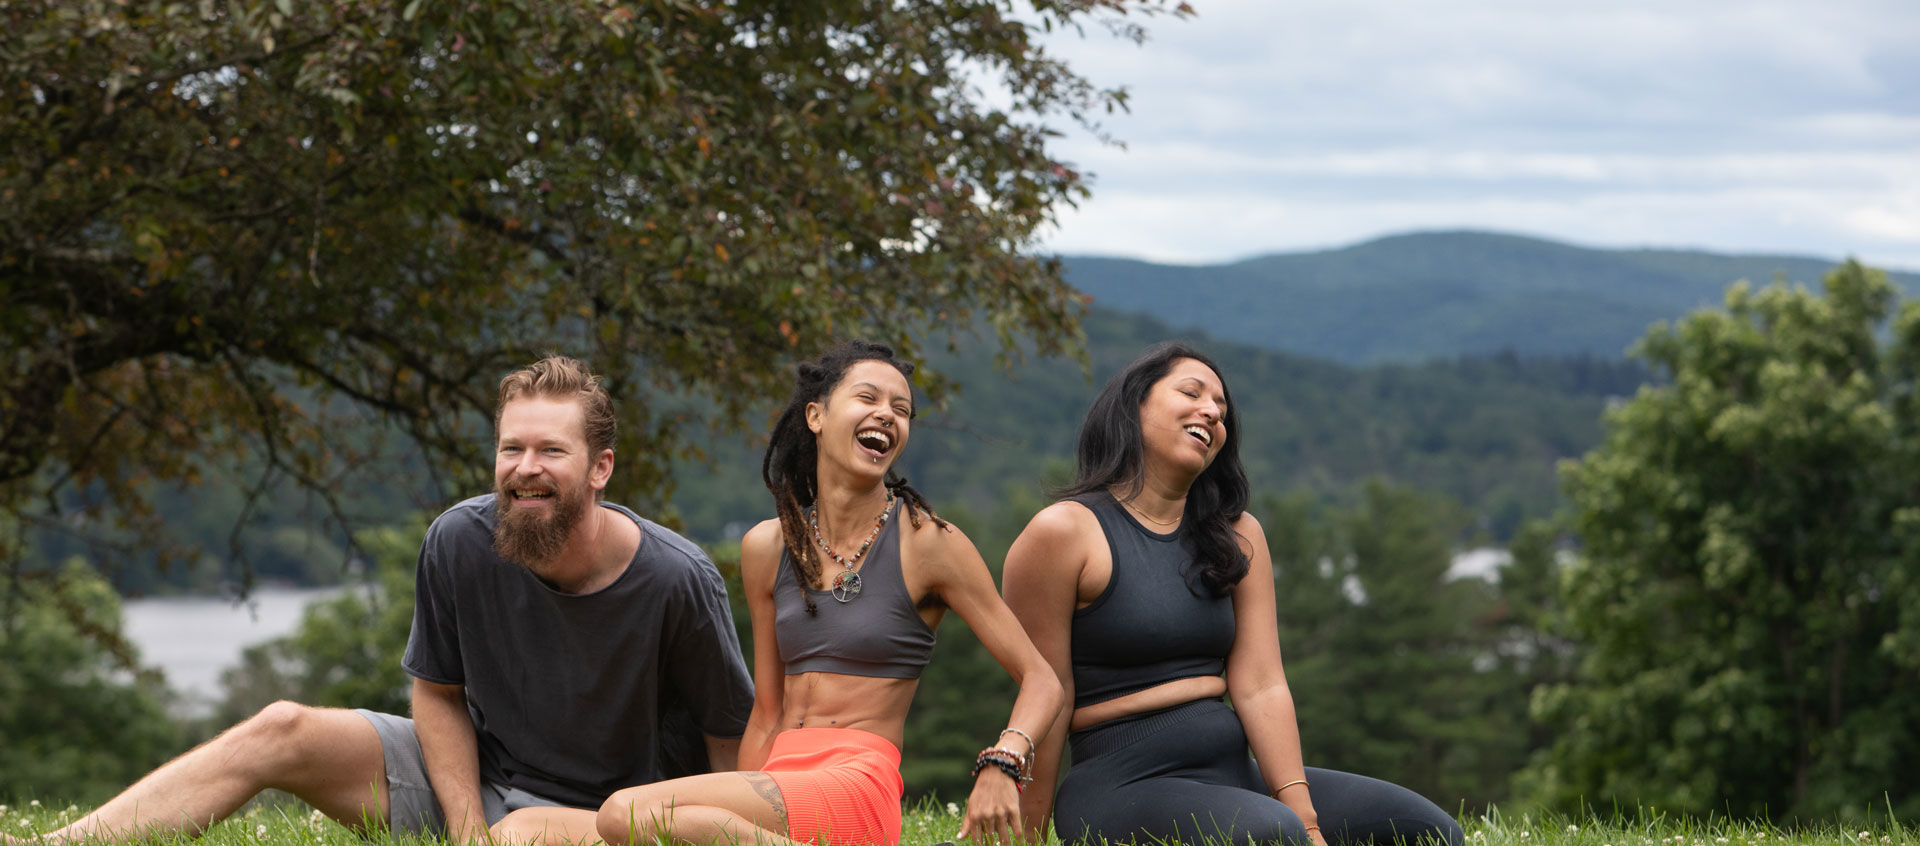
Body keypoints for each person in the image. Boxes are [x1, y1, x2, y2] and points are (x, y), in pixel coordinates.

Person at [7, 356, 754, 845]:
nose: (525, 469)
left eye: (551, 451)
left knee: (520, 838)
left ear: (601, 468)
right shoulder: (458, 541)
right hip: (473, 783)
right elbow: (436, 693)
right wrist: (463, 830)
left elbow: (730, 743)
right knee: (282, 725)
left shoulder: (676, 580)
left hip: (600, 821)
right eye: (510, 449)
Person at [490, 340, 1062, 846]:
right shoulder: (769, 546)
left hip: (857, 783)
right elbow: (766, 713)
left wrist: (1003, 762)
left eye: (902, 409)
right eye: (868, 398)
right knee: (519, 832)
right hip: (778, 784)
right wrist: (737, 792)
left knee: (625, 815)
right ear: (816, 415)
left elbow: (1041, 679)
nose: (886, 414)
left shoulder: (929, 543)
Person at [1001, 341, 1465, 846]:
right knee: (1271, 834)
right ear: (1134, 405)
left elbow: (1262, 685)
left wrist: (1306, 818)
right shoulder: (1064, 533)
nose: (1212, 411)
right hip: (1121, 788)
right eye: (1191, 392)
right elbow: (1046, 694)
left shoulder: (1238, 536)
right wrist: (1026, 836)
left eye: (1220, 408)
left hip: (1233, 776)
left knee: (1427, 832)